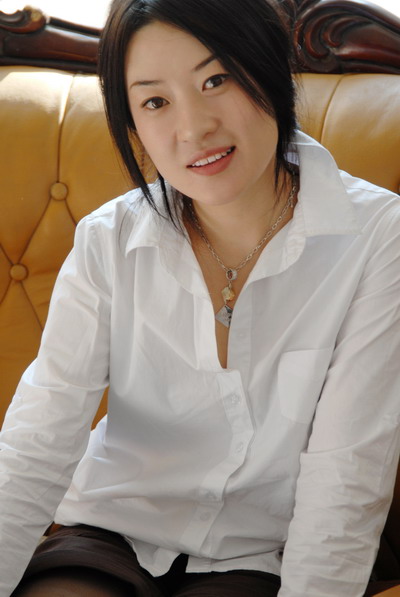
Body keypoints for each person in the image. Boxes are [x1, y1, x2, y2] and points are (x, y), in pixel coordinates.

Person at [0, 0, 399, 595]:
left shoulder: (378, 236)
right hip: (113, 529)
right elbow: (40, 436)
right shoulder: (108, 239)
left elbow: (348, 469)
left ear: (268, 70)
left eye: (217, 80)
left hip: (269, 549)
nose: (193, 128)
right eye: (155, 102)